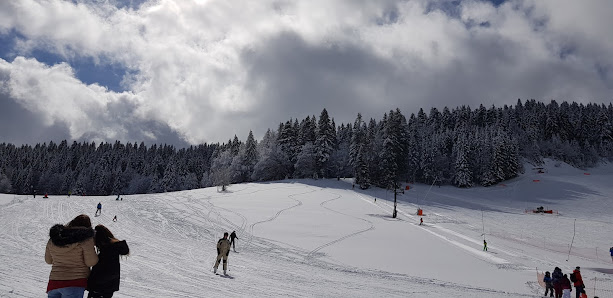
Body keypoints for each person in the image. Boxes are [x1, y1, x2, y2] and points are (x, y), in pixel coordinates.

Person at [45, 214, 98, 298]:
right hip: (75, 283)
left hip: (54, 282)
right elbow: (90, 262)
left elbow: (48, 260)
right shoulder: (86, 239)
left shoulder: (54, 239)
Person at [87, 225, 130, 298]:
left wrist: (92, 284)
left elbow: (103, 271)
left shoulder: (106, 251)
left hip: (99, 287)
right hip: (109, 286)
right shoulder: (112, 248)